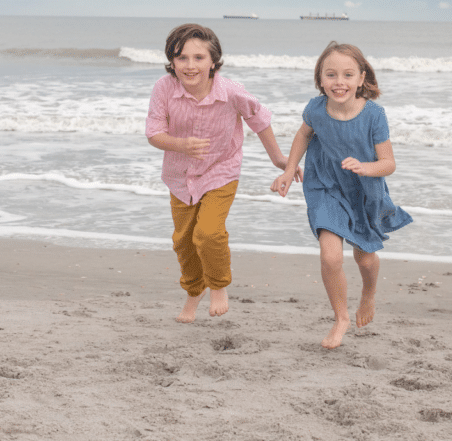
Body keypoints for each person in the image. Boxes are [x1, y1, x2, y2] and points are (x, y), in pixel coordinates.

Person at [147, 23, 300, 324]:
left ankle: (218, 287)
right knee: (184, 241)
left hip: (221, 170)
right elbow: (153, 133)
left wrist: (278, 159)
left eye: (199, 58)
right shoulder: (164, 88)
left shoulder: (230, 91)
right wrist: (181, 145)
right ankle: (194, 292)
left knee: (208, 233)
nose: (190, 66)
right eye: (181, 58)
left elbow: (259, 118)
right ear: (172, 61)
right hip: (180, 176)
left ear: (213, 61)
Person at [271, 41, 412, 349]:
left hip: (363, 190)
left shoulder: (374, 115)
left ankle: (368, 295)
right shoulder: (316, 109)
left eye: (348, 75)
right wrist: (288, 168)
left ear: (362, 78)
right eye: (331, 74)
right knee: (330, 256)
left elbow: (389, 163)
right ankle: (341, 317)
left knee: (364, 257)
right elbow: (304, 134)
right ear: (320, 79)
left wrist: (364, 167)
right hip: (324, 186)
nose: (339, 82)